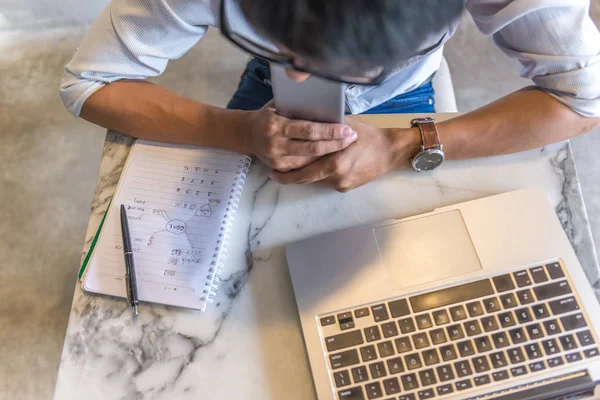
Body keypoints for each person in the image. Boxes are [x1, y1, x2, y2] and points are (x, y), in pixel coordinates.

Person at [60, 0, 600, 192]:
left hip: (411, 95)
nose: (303, 83)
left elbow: (584, 99)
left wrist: (401, 147)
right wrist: (238, 129)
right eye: (286, 51)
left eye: (353, 68)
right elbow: (89, 83)